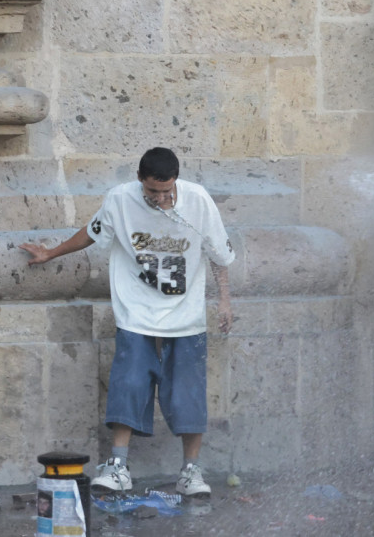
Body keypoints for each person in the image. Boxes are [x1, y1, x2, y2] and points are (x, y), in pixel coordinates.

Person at [20, 147, 235, 497]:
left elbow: (219, 253)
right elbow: (91, 232)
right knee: (130, 381)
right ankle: (118, 467)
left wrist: (224, 301)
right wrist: (51, 252)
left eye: (168, 192)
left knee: (188, 392)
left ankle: (191, 472)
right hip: (136, 309)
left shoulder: (198, 200)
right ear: (141, 181)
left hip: (187, 314)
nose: (162, 199)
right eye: (154, 192)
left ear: (176, 182)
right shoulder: (120, 199)